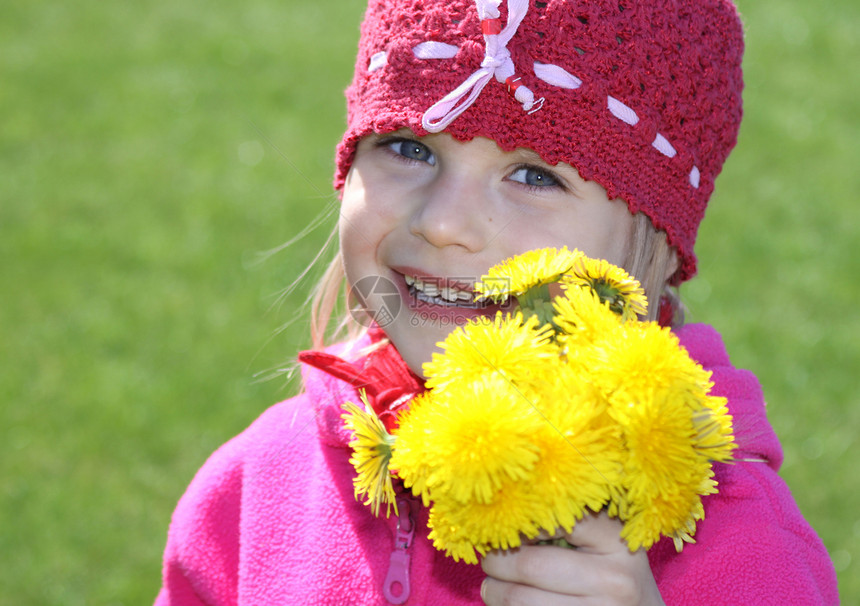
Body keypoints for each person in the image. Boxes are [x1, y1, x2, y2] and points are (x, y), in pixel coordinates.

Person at [155, 0, 839, 603]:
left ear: (654, 243)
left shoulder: (735, 541)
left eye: (533, 175)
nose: (444, 224)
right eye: (407, 147)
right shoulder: (257, 486)